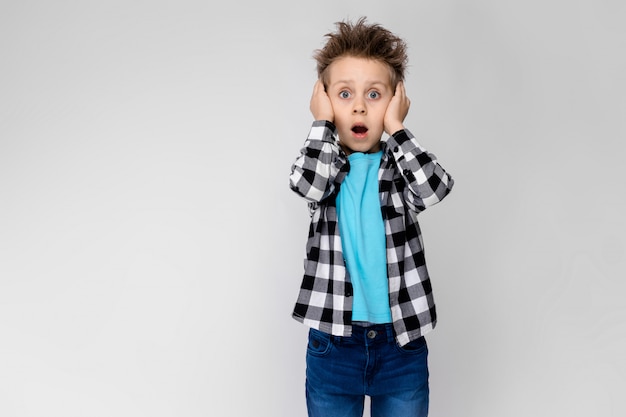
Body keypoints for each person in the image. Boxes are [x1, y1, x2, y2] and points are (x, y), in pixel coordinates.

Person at [288, 17, 454, 417]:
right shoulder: (327, 167)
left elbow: (435, 188)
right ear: (324, 99)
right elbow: (307, 184)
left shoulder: (399, 168)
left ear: (395, 100)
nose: (360, 105)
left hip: (401, 345)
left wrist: (397, 128)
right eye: (344, 94)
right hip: (333, 344)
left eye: (375, 94)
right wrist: (322, 123)